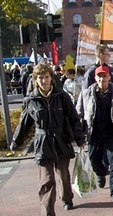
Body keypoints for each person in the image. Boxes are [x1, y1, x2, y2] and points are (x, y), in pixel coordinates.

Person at [10, 63, 86, 215]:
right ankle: (48, 212)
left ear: (52, 78)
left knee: (63, 174)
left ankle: (67, 198)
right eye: (40, 78)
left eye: (46, 77)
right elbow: (24, 124)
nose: (44, 81)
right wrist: (15, 142)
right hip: (42, 142)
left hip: (61, 140)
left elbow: (73, 119)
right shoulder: (31, 100)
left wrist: (80, 139)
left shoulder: (62, 97)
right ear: (35, 80)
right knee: (46, 180)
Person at [76, 65, 113, 203]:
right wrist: (79, 135)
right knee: (93, 161)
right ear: (95, 78)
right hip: (94, 133)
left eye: (105, 76)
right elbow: (78, 115)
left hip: (112, 132)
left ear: (109, 77)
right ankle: (101, 173)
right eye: (99, 76)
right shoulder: (86, 94)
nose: (102, 79)